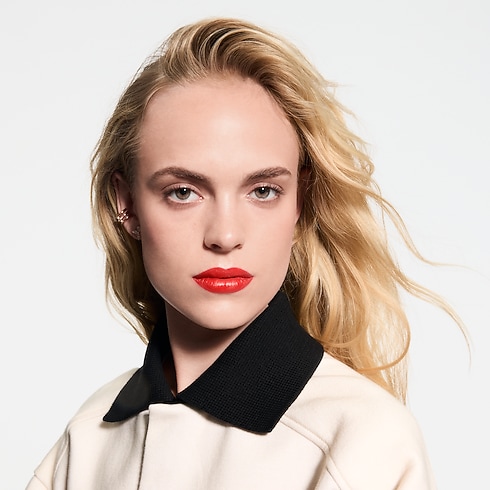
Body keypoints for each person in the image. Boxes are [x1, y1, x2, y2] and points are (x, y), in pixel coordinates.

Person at [27, 17, 463, 489]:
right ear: (126, 204)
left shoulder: (364, 441)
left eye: (262, 190)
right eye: (183, 192)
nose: (225, 235)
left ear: (299, 203)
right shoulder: (88, 438)